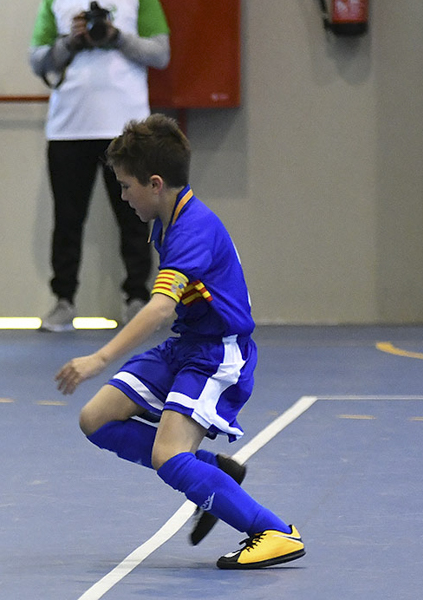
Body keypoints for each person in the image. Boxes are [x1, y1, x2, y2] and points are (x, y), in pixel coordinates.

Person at [54, 114, 305, 569]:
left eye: (126, 186)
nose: (123, 196)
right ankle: (209, 468)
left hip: (216, 353)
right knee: (97, 418)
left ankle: (273, 531)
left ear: (154, 183)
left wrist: (100, 358)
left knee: (168, 454)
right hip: (187, 344)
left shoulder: (191, 228)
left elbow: (159, 308)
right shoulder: (164, 220)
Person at [29, 0, 170, 332]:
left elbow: (161, 53)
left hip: (126, 129)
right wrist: (71, 41)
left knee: (135, 218)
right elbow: (37, 60)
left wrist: (117, 36)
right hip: (68, 129)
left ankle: (137, 298)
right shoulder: (56, 2)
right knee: (67, 220)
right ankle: (63, 301)